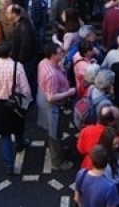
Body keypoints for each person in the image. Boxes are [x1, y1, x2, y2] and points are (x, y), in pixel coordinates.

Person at [0, 40, 32, 175]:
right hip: (15, 101)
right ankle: (21, 143)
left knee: (4, 134)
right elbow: (25, 88)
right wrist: (28, 101)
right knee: (18, 126)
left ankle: (9, 165)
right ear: (10, 52)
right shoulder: (17, 66)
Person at [37, 42, 77, 171]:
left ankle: (58, 149)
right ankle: (57, 162)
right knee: (53, 132)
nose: (63, 54)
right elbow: (51, 97)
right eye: (60, 53)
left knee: (54, 130)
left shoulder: (44, 62)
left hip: (44, 101)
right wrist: (69, 92)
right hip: (51, 106)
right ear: (53, 55)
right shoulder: (51, 75)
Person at [78, 106, 119, 171]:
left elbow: (81, 150)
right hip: (111, 170)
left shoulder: (86, 131)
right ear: (111, 122)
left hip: (89, 167)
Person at [8, 3, 39, 100]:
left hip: (26, 61)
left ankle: (29, 100)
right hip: (24, 60)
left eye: (8, 13)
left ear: (14, 14)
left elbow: (25, 47)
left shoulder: (23, 27)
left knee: (28, 81)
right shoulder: (21, 24)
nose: (6, 15)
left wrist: (19, 61)